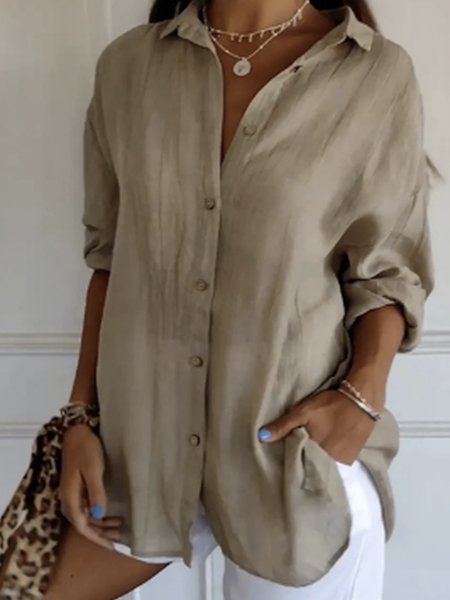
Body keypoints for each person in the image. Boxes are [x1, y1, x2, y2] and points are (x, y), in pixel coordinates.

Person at [34, 0, 435, 598]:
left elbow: (386, 271)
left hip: (290, 462)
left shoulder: (371, 73)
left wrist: (360, 400)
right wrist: (80, 419)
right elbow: (112, 259)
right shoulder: (128, 68)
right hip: (140, 452)